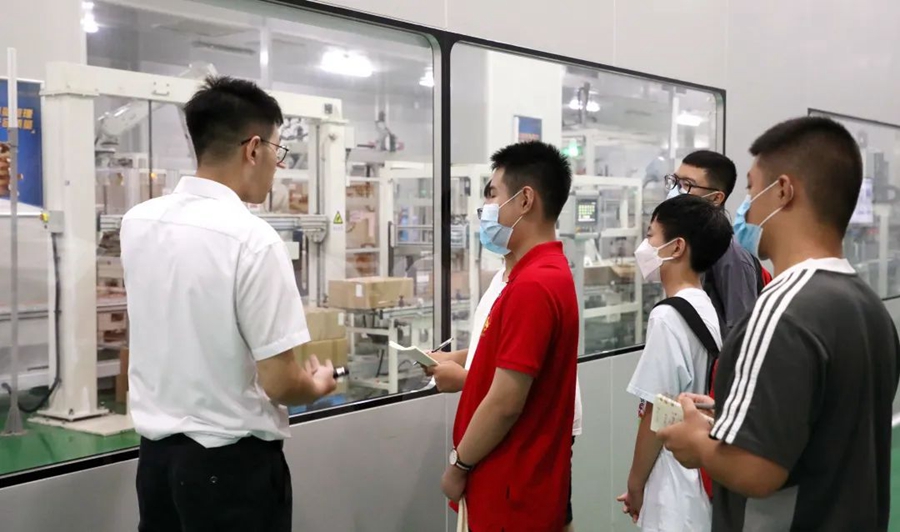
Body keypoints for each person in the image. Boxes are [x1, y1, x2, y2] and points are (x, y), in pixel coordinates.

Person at [658, 116, 900, 531]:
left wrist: (696, 442)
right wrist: (729, 412)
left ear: (784, 191)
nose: (746, 207)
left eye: (752, 190)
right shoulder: (868, 307)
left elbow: (757, 472)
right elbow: (820, 427)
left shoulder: (780, 310)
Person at [121, 76, 336, 532]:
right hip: (232, 472)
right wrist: (316, 384)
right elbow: (280, 383)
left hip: (156, 464)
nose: (278, 165)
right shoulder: (254, 240)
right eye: (278, 151)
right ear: (254, 149)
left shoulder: (137, 222)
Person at [428, 180, 584, 531]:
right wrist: (453, 359)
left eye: (493, 195)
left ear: (525, 199)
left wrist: (458, 465)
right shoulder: (529, 276)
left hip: (511, 473)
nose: (485, 210)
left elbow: (505, 403)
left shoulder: (533, 285)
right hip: (513, 468)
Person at [617, 194, 733, 531]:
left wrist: (635, 484)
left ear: (677, 247)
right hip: (701, 479)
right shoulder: (705, 306)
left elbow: (658, 413)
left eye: (651, 235)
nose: (645, 246)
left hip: (674, 485)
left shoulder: (668, 317)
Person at [665, 150, 761, 336]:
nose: (676, 191)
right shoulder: (688, 244)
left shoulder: (730, 255)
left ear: (716, 198)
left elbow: (742, 334)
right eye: (675, 181)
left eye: (687, 185)